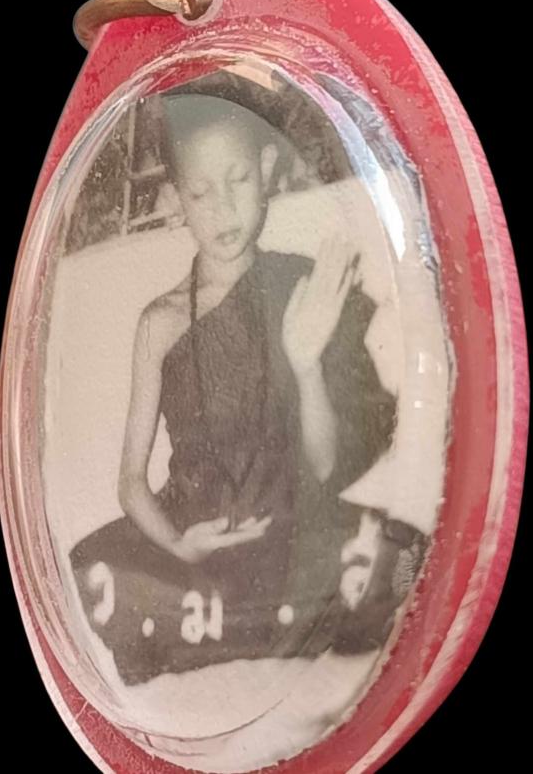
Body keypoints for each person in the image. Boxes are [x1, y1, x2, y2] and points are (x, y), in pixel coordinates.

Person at [70, 94, 426, 685]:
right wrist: (180, 545)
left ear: (264, 172)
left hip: (289, 525)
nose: (222, 209)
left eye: (237, 181)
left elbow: (324, 467)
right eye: (200, 193)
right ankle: (273, 618)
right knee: (96, 567)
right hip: (195, 537)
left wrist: (305, 363)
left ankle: (244, 619)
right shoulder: (159, 323)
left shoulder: (298, 288)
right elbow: (130, 482)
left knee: (377, 550)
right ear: (176, 199)